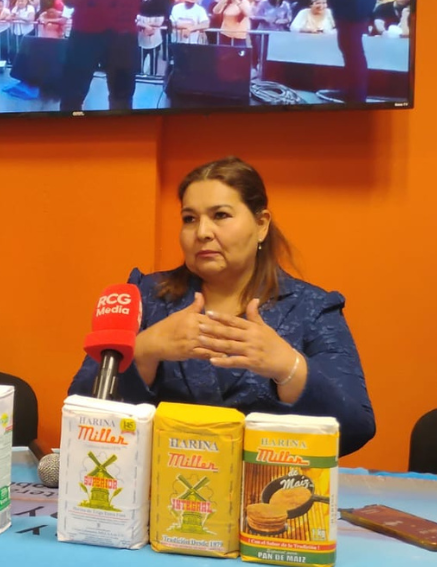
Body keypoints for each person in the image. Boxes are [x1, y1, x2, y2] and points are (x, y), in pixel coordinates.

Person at [68, 157, 375, 456]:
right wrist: (145, 349)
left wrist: (288, 367)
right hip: (162, 481)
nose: (202, 232)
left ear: (261, 225)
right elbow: (80, 409)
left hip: (267, 484)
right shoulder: (146, 297)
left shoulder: (311, 308)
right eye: (189, 219)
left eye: (220, 215)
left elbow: (356, 426)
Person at [59, 0, 172, 112]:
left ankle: (74, 127)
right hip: (123, 38)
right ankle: (117, 129)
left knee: (72, 98)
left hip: (84, 35)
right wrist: (132, 7)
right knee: (121, 99)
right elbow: (163, 4)